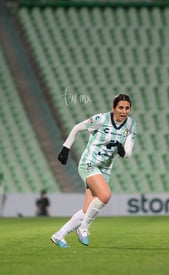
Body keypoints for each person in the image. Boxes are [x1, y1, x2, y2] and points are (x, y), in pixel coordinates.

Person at [51, 94, 137, 248]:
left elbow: (128, 152)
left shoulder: (131, 125)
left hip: (105, 169)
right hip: (89, 164)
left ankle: (59, 235)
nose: (124, 111)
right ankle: (83, 229)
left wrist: (123, 151)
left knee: (86, 211)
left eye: (127, 108)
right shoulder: (101, 120)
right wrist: (66, 148)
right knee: (105, 195)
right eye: (121, 108)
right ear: (114, 108)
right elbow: (77, 128)